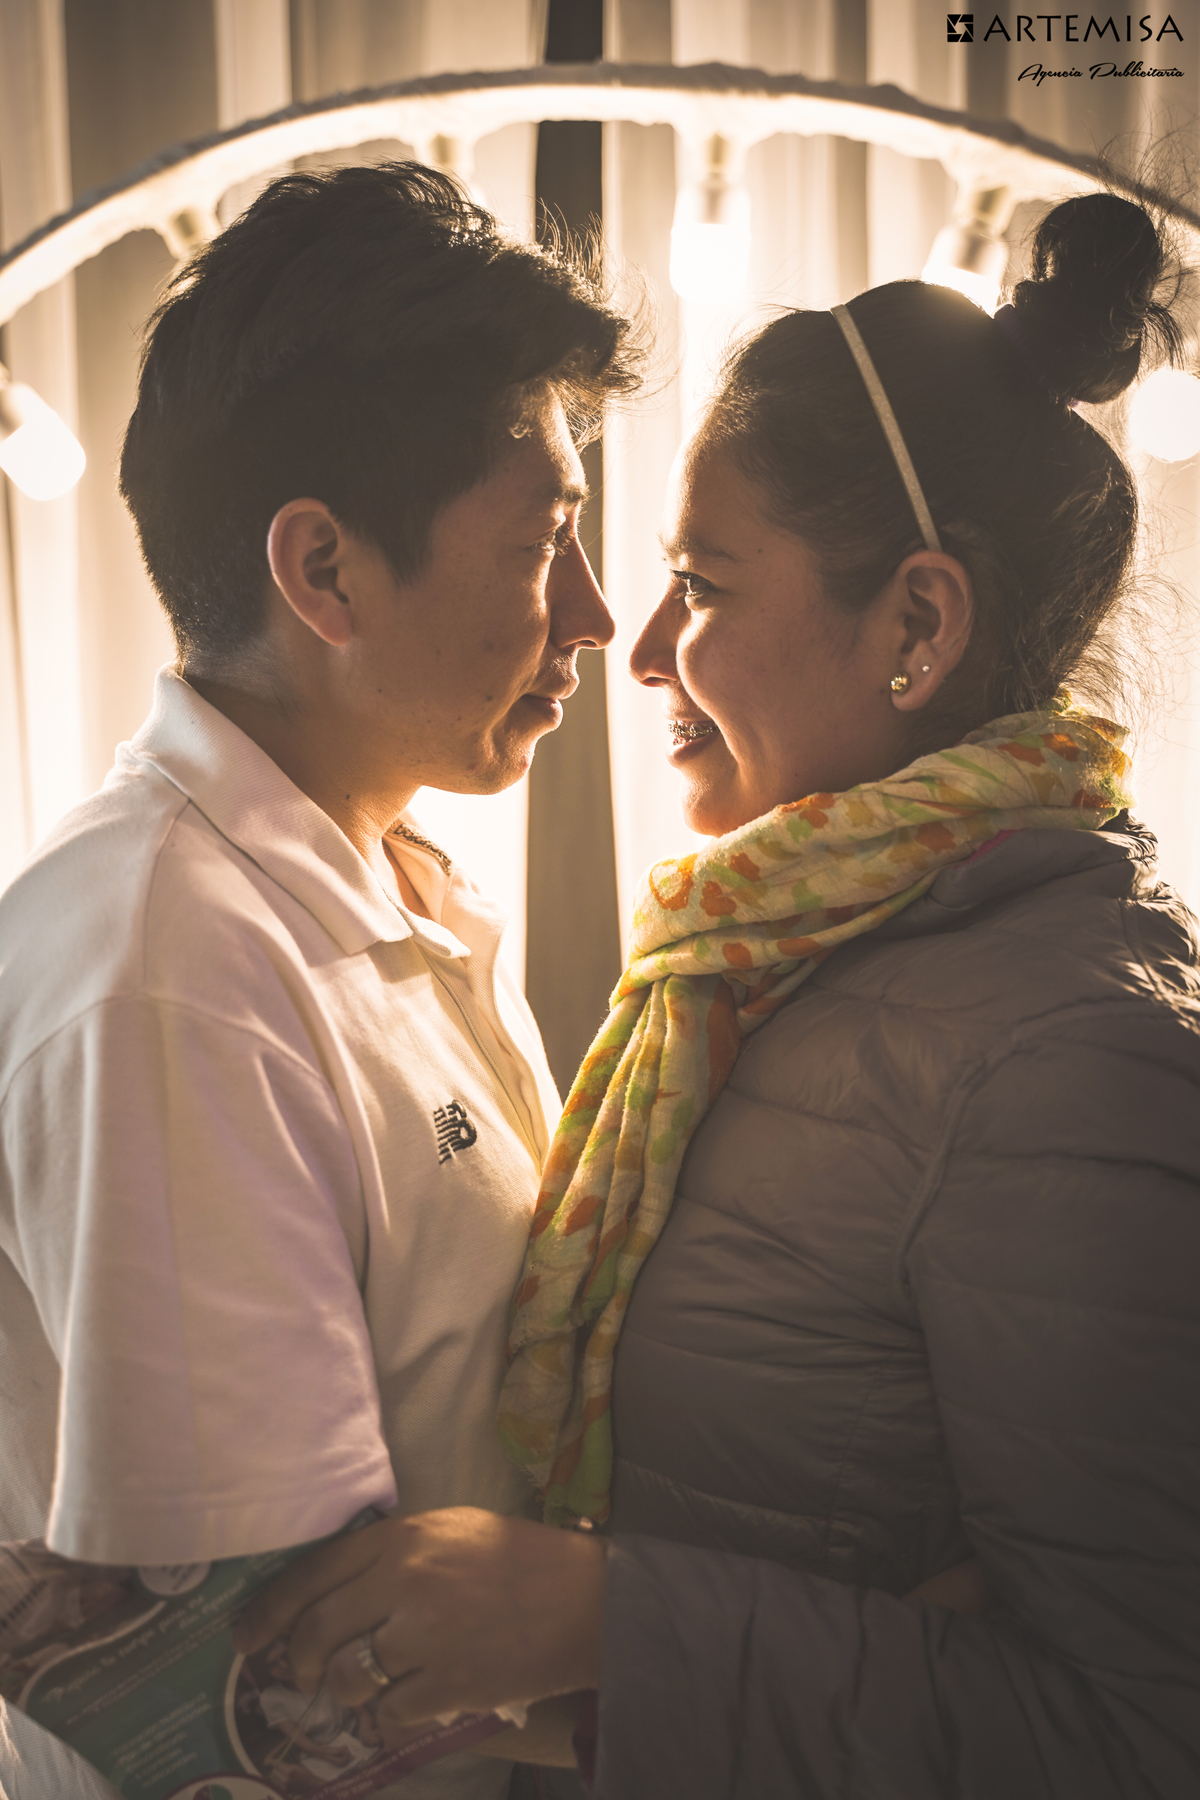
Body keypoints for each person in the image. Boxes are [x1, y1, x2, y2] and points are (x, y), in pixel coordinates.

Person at [236, 191, 1200, 1798]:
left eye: (706, 583)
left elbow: (1148, 1734)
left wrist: (601, 1616)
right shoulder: (783, 962)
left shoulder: (1067, 1056)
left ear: (917, 623)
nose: (642, 649)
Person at [0, 161, 640, 1800]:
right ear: (328, 573)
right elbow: (258, 1698)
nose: (594, 613)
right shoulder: (172, 968)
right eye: (543, 545)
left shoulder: (380, 884)